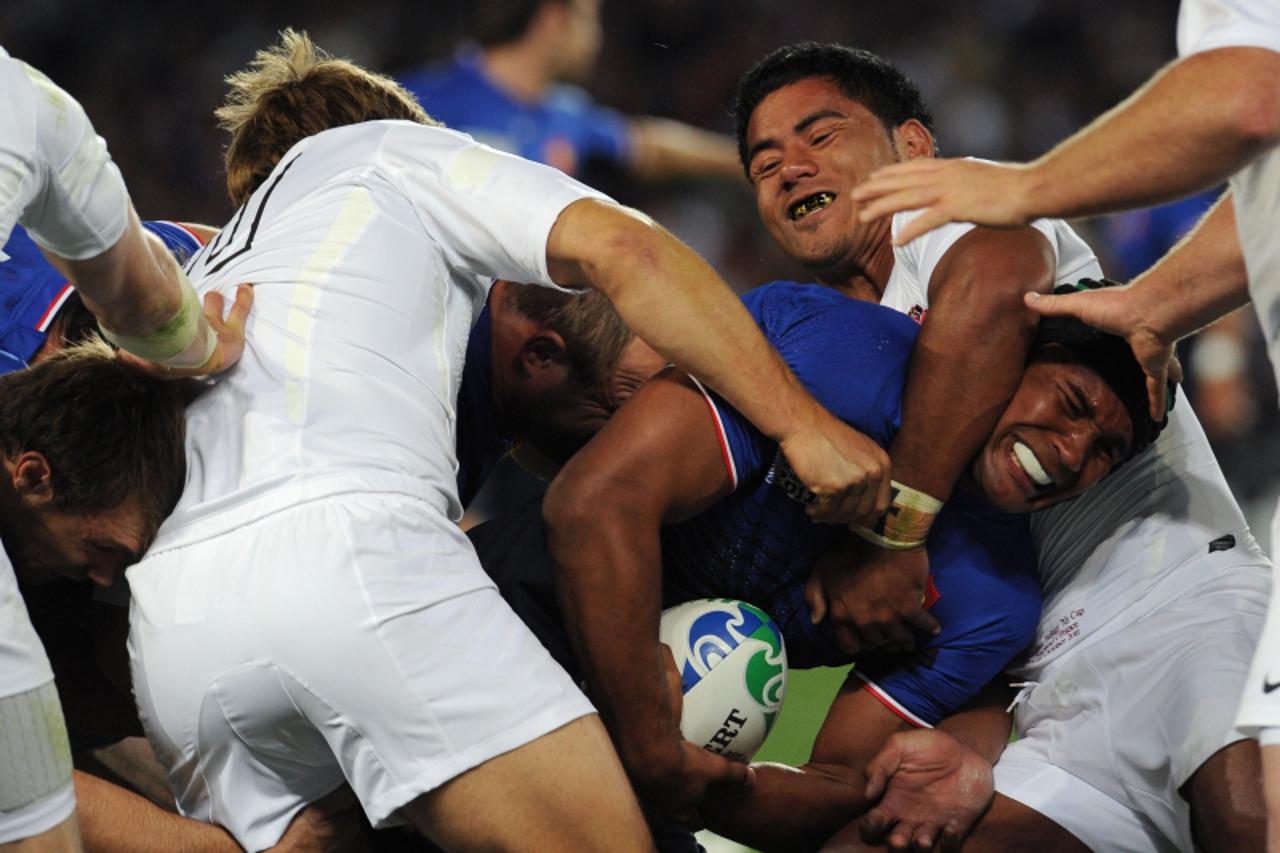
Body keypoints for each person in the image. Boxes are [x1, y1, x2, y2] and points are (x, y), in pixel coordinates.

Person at [125, 30, 892, 853]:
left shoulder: (212, 279)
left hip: (174, 641)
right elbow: (629, 251)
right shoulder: (388, 153)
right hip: (348, 561)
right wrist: (802, 428)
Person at [732, 42, 1268, 851]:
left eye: (821, 134)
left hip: (1187, 610)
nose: (791, 167)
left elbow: (992, 281)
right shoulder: (832, 348)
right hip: (1050, 692)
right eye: (764, 161)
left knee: (1249, 820)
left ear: (913, 148)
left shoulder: (954, 214)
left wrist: (893, 534)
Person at [472, 277, 1165, 851]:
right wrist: (653, 743)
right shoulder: (853, 358)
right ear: (1008, 363)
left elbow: (846, 781)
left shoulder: (996, 600)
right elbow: (593, 506)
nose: (1073, 453)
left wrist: (711, 787)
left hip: (641, 762)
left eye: (1105, 450)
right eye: (1071, 404)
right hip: (509, 617)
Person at [0, 341, 186, 851]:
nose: (106, 577)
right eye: (100, 547)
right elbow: (14, 781)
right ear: (34, 477)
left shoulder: (39, 532)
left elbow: (74, 703)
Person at [0, 46, 250, 378]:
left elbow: (156, 294)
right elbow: (154, 296)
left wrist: (204, 353)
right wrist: (204, 353)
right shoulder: (34, 110)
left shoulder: (34, 117)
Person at [398, 0, 741, 181]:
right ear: (554, 19)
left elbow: (651, 147)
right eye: (590, 18)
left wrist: (743, 161)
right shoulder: (422, 98)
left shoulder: (567, 113)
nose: (597, 37)